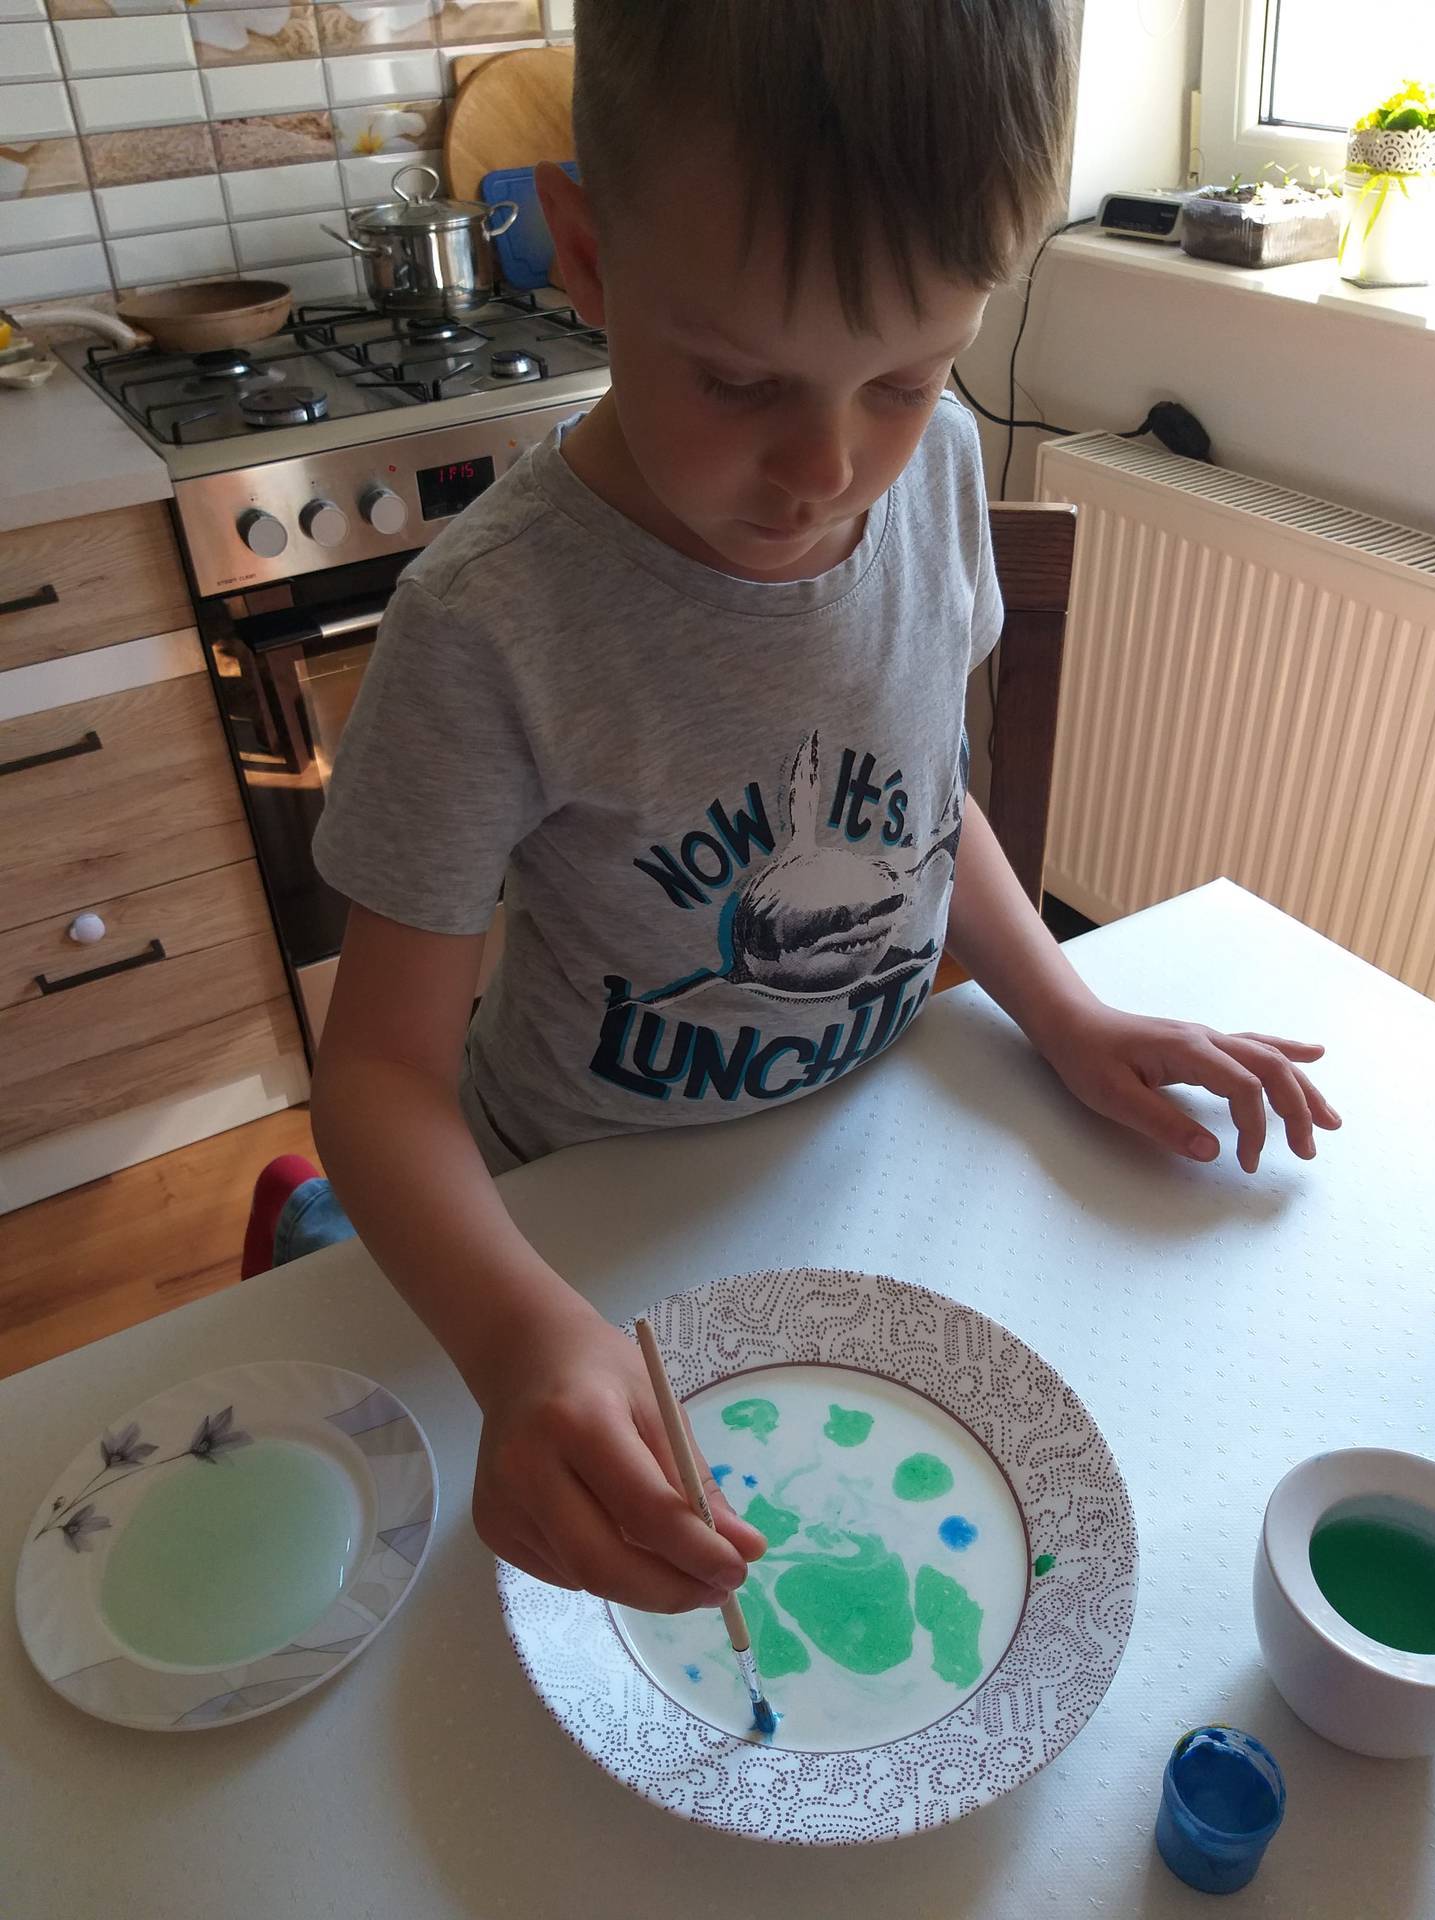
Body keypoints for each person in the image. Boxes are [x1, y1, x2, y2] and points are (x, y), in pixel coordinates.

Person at [249, 0, 1340, 1618]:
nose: (826, 468)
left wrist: (1065, 1010)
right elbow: (381, 1079)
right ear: (589, 258)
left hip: (862, 1160)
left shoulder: (941, 469)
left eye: (902, 375)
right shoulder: (490, 626)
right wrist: (518, 1335)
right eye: (741, 380)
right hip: (585, 1220)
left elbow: (926, 803)